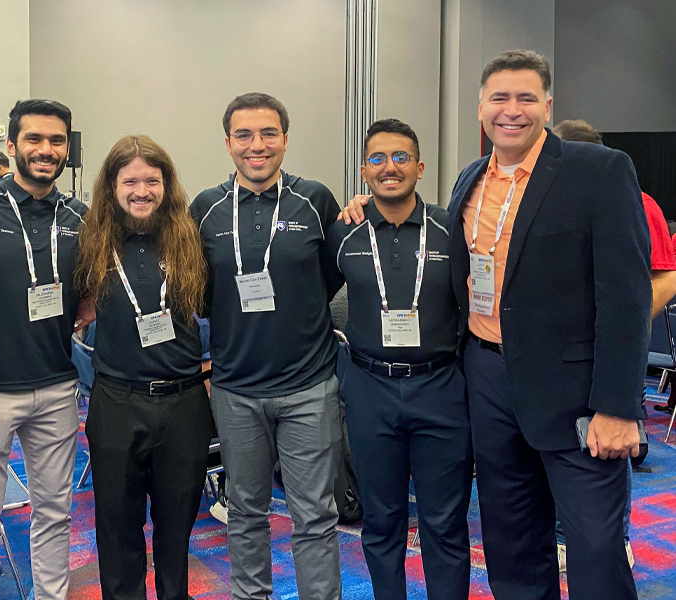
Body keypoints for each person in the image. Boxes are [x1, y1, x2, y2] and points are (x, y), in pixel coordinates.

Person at [447, 51, 647, 600]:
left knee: (595, 545)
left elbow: (626, 297)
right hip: (488, 379)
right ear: (481, 107)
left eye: (527, 98)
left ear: (548, 105)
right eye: (500, 98)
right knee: (511, 539)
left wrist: (618, 406)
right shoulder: (470, 179)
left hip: (576, 394)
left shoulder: (599, 170)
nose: (512, 110)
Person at [190, 92, 343, 600]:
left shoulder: (316, 200)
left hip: (309, 387)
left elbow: (331, 278)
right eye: (245, 135)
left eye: (268, 134)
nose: (257, 146)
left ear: (285, 139)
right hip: (236, 390)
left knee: (315, 517)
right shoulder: (205, 208)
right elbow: (202, 293)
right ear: (228, 142)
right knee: (245, 515)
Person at [324, 118, 471, 600]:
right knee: (381, 520)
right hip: (370, 390)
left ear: (420, 167)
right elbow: (311, 304)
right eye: (378, 159)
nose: (390, 168)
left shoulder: (453, 229)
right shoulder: (342, 234)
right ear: (364, 172)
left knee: (444, 522)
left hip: (441, 388)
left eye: (401, 157)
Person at [0, 99, 88, 600]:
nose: (46, 150)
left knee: (55, 513)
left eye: (56, 140)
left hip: (56, 386)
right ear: (11, 146)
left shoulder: (80, 214)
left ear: (67, 148)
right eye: (34, 139)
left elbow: (91, 282)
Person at [75, 134, 214, 600]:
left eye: (151, 180)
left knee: (177, 524)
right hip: (116, 400)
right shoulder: (89, 242)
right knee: (116, 525)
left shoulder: (192, 237)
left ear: (166, 184)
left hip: (184, 404)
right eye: (129, 180)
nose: (141, 191)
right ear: (111, 187)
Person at [550, 118, 676, 570]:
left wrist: (627, 322)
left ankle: (611, 539)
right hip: (555, 352)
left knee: (609, 440)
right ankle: (560, 533)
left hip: (615, 349)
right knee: (559, 441)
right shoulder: (539, 198)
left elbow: (666, 274)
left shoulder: (640, 203)